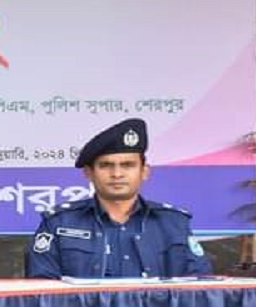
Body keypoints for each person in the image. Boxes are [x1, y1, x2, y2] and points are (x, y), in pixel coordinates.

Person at [26, 118, 212, 279]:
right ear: (88, 173)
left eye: (127, 165)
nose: (117, 174)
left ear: (144, 171)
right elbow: (41, 291)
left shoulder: (173, 223)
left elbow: (199, 287)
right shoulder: (58, 223)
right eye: (106, 165)